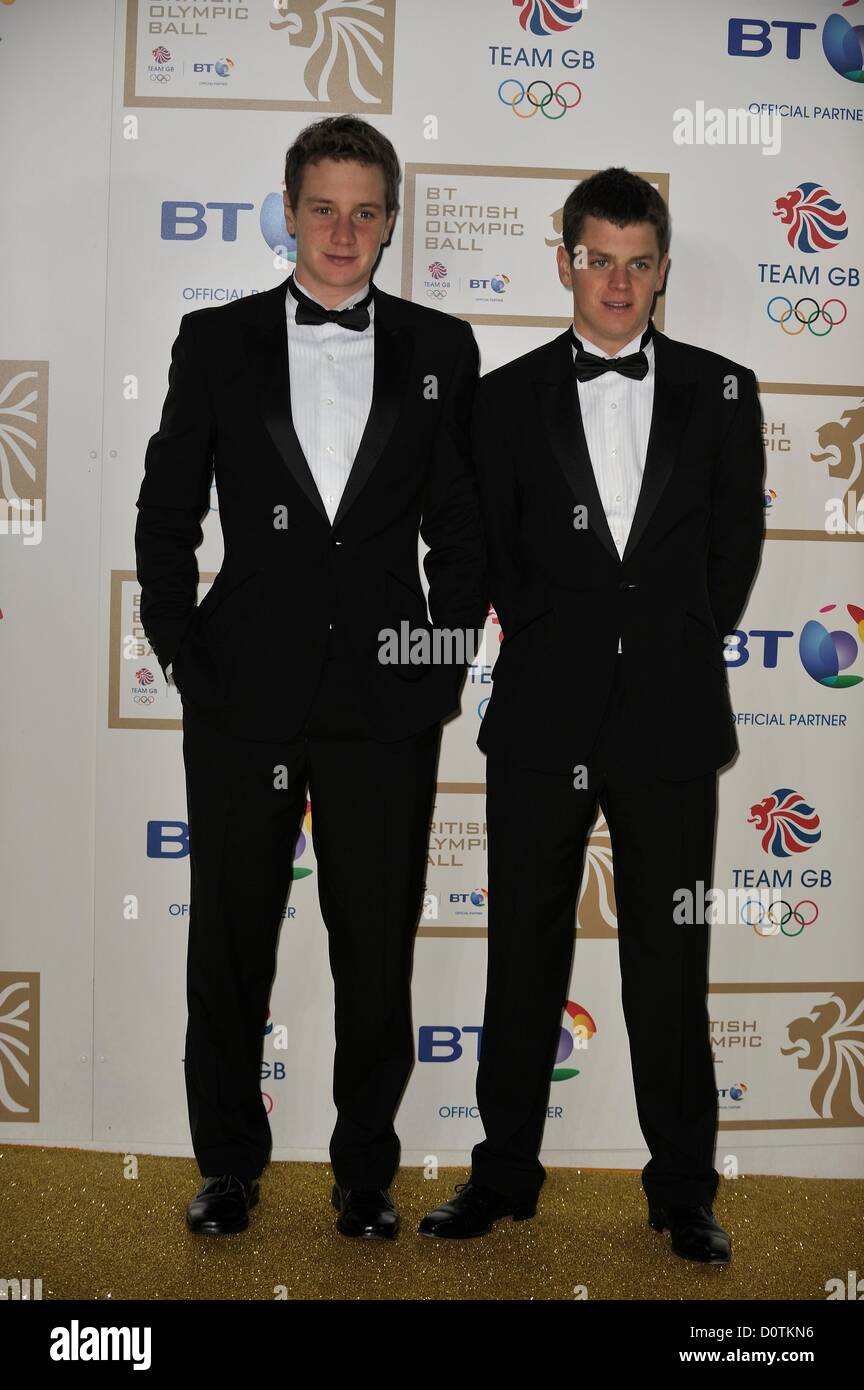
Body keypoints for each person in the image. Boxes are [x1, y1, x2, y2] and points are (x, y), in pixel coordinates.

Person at [135, 115, 486, 1241]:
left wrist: (438, 664)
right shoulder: (216, 339)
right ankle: (229, 1165)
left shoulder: (442, 348)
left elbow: (464, 531)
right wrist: (186, 649)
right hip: (243, 691)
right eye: (323, 206)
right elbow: (165, 511)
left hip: (388, 699)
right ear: (288, 210)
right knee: (232, 936)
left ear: (391, 221)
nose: (343, 231)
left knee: (374, 943)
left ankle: (364, 1177)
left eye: (365, 209)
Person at [420, 168, 765, 1263]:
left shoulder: (724, 390)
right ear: (564, 259)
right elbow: (491, 557)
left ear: (662, 272)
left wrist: (657, 646)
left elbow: (731, 558)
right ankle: (503, 1175)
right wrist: (566, 648)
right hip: (541, 717)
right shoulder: (504, 397)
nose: (617, 281)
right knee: (523, 952)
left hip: (668, 720)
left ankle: (681, 1192)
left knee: (671, 961)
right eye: (597, 257)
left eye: (638, 261)